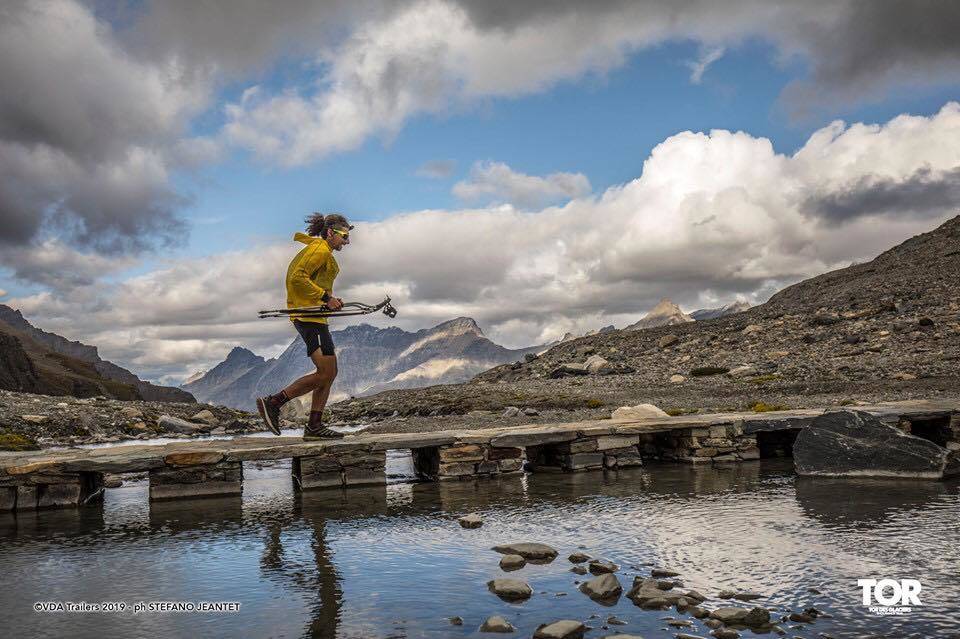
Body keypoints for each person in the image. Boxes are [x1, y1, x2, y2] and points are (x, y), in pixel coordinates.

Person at [257, 212, 353, 439]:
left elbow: (313, 281)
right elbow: (297, 278)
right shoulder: (319, 249)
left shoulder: (323, 251)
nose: (347, 242)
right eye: (344, 236)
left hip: (317, 318)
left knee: (329, 373)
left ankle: (314, 426)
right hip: (308, 318)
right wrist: (324, 298)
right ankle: (274, 402)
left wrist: (331, 300)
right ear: (331, 232)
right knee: (325, 373)